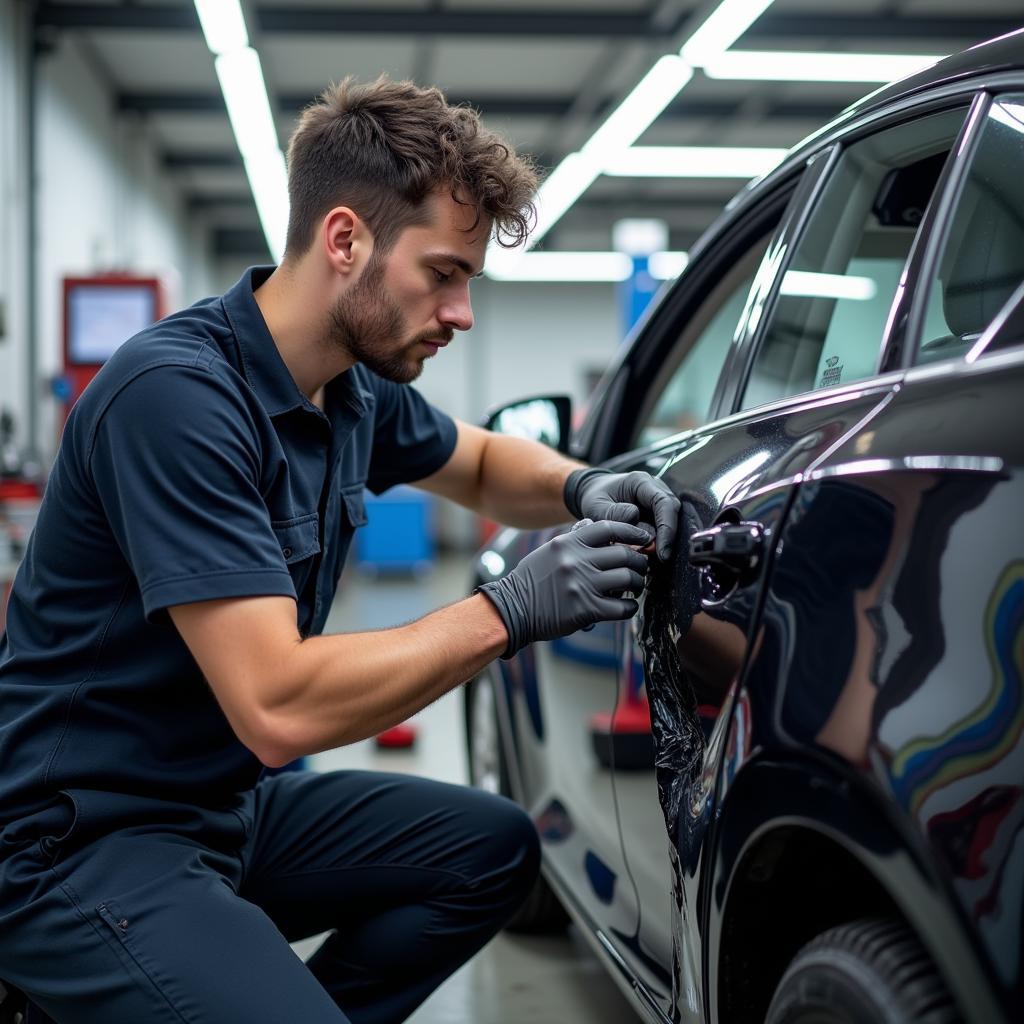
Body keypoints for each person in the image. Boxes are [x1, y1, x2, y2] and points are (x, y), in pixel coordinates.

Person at [0, 77, 680, 1023]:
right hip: (78, 839)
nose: (461, 313)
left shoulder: (348, 388)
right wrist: (508, 611)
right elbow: (277, 704)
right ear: (346, 240)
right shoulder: (176, 397)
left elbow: (480, 462)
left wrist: (580, 485)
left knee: (491, 849)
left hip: (224, 807)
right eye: (442, 273)